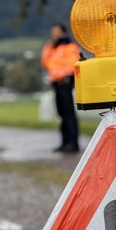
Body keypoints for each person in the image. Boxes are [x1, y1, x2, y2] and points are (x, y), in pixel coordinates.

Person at [41, 23, 81, 152]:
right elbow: (45, 62)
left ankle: (73, 143)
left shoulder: (70, 47)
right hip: (56, 83)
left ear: (63, 32)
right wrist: (49, 46)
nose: (54, 34)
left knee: (69, 114)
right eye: (53, 32)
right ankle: (65, 143)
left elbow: (72, 65)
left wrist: (63, 75)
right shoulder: (54, 48)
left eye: (56, 32)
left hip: (65, 82)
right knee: (62, 114)